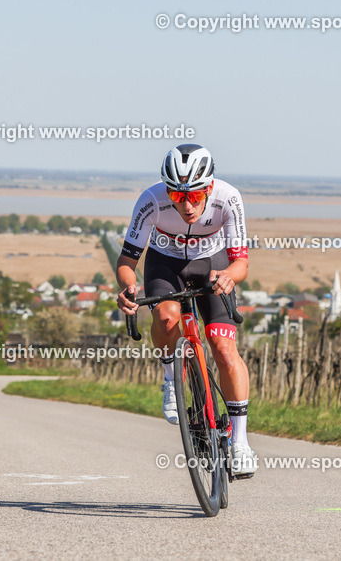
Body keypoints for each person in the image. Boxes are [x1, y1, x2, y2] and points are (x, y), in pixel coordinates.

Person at [115, 144, 257, 476]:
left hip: (212, 265)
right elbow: (127, 260)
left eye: (195, 195)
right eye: (177, 197)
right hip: (165, 266)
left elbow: (241, 262)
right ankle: (170, 376)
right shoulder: (151, 200)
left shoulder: (228, 198)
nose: (188, 205)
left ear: (210, 186)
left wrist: (228, 277)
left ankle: (240, 442)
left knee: (223, 346)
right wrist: (128, 286)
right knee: (165, 316)